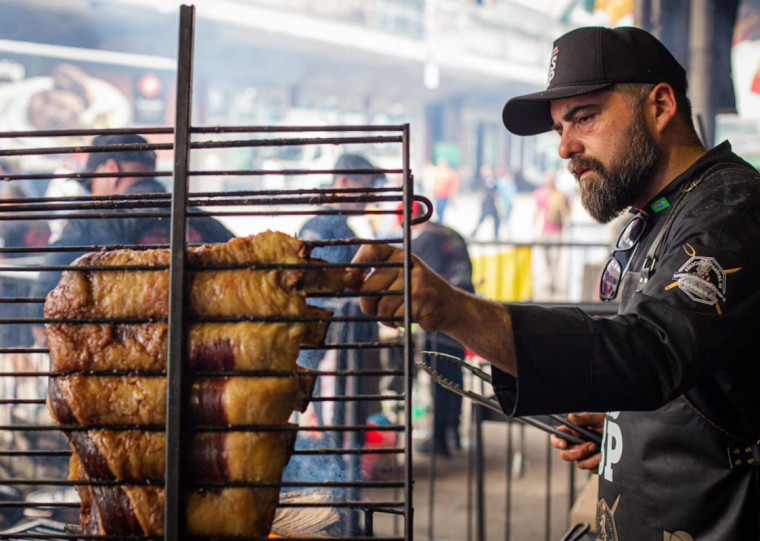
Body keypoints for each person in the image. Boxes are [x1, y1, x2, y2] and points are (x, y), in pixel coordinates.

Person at [344, 26, 760, 539]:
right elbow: (700, 376)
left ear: (660, 106)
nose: (565, 147)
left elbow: (652, 351)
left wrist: (453, 309)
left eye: (584, 117)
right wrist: (621, 431)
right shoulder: (663, 213)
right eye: (560, 127)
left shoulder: (733, 209)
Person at [32, 134, 234, 321]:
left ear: (112, 170)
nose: (92, 193)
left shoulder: (89, 221)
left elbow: (43, 295)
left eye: (92, 183)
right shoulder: (197, 218)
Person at [411, 202, 474, 456]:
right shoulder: (451, 233)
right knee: (455, 376)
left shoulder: (425, 240)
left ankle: (439, 442)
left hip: (438, 319)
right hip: (465, 314)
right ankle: (454, 434)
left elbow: (422, 281)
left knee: (439, 379)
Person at [533, 170, 570, 296]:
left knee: (555, 258)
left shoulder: (561, 195)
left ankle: (554, 281)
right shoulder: (541, 194)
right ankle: (549, 280)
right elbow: (537, 211)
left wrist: (567, 226)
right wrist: (534, 229)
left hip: (557, 232)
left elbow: (566, 212)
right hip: (544, 232)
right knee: (546, 258)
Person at [470, 164, 501, 239]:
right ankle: (473, 233)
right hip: (487, 204)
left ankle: (496, 236)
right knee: (482, 219)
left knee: (496, 220)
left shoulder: (490, 180)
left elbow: (494, 192)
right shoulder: (485, 180)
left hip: (491, 203)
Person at [431, 158, 459, 222]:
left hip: (445, 195)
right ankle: (439, 222)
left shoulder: (450, 173)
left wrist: (453, 196)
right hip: (437, 195)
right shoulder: (438, 172)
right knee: (438, 210)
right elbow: (435, 183)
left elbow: (454, 185)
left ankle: (440, 223)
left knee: (441, 211)